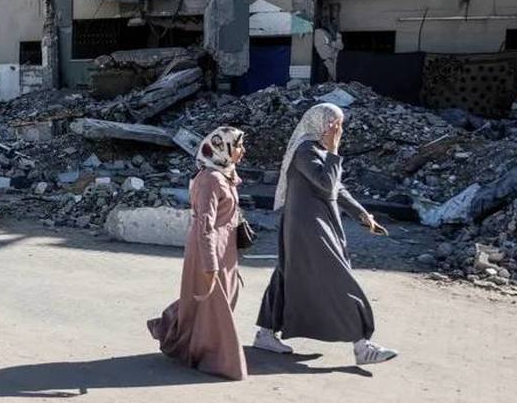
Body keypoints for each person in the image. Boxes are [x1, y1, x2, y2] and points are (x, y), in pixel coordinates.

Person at [253, 103, 399, 365]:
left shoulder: (318, 150)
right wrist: (333, 151)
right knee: (338, 277)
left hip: (316, 222)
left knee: (288, 272)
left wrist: (361, 214)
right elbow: (325, 184)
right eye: (335, 124)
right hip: (309, 225)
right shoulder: (305, 150)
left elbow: (337, 188)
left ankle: (265, 332)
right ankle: (362, 346)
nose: (339, 130)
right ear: (321, 123)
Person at [147, 127, 249, 381]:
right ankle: (218, 359)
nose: (242, 151)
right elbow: (205, 224)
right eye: (238, 146)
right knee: (215, 307)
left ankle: (180, 337)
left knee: (210, 304)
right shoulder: (210, 180)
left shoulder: (224, 174)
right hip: (209, 249)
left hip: (225, 249)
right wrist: (210, 263)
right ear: (222, 148)